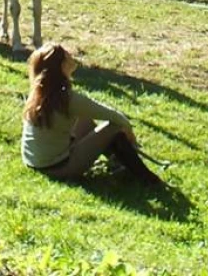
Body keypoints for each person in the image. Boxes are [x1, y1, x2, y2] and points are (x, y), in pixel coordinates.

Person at [21, 42, 162, 185]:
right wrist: (130, 136)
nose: (70, 56)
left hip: (34, 163)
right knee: (113, 128)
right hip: (59, 168)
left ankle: (118, 162)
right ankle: (147, 179)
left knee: (84, 119)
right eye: (66, 55)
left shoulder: (38, 94)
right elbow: (117, 117)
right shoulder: (68, 99)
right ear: (61, 66)